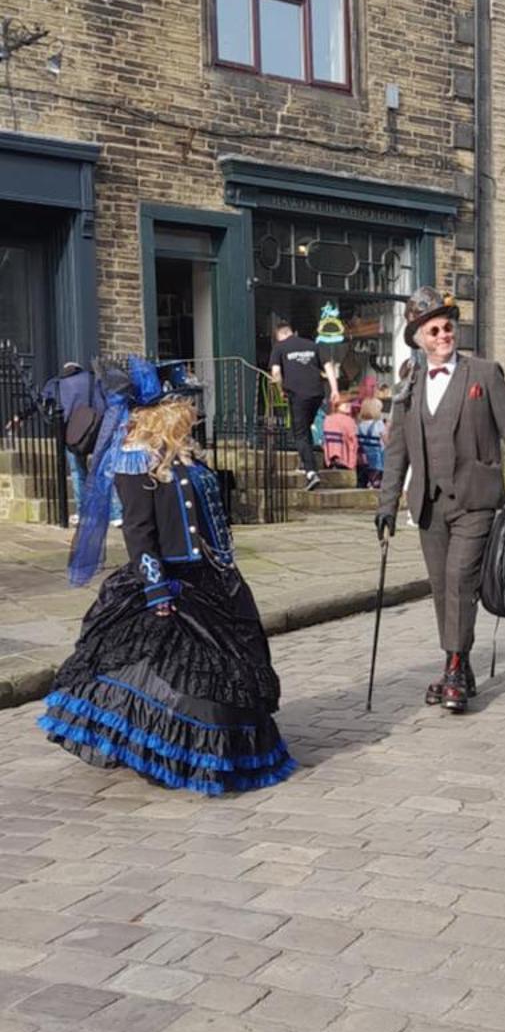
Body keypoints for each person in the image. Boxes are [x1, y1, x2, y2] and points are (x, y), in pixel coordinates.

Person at [40, 357, 295, 796]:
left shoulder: (185, 455)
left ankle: (223, 751)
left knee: (228, 670)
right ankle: (164, 750)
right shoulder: (135, 460)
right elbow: (140, 533)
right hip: (170, 580)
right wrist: (156, 587)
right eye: (185, 404)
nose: (194, 411)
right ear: (167, 411)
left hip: (213, 578)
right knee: (167, 672)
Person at [376, 286, 505, 712]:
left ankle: (453, 667)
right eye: (434, 330)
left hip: (476, 499)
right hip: (429, 504)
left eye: (448, 327)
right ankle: (459, 667)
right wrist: (386, 505)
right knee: (442, 586)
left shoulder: (483, 374)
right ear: (419, 338)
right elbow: (397, 452)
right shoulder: (408, 382)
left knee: (462, 581)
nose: (444, 335)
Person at [39, 360, 123, 527]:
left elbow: (43, 405)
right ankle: (115, 513)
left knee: (78, 473)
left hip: (72, 434)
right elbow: (107, 404)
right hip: (97, 430)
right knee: (105, 470)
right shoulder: (94, 379)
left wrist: (20, 416)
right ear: (79, 368)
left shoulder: (55, 383)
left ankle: (84, 513)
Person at [270, 322, 340, 492]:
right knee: (305, 428)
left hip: (297, 394)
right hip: (317, 393)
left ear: (278, 335)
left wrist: (280, 391)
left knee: (299, 433)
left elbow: (276, 373)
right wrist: (335, 389)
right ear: (293, 332)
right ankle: (306, 460)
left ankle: (311, 472)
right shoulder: (313, 345)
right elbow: (328, 366)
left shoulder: (279, 347)